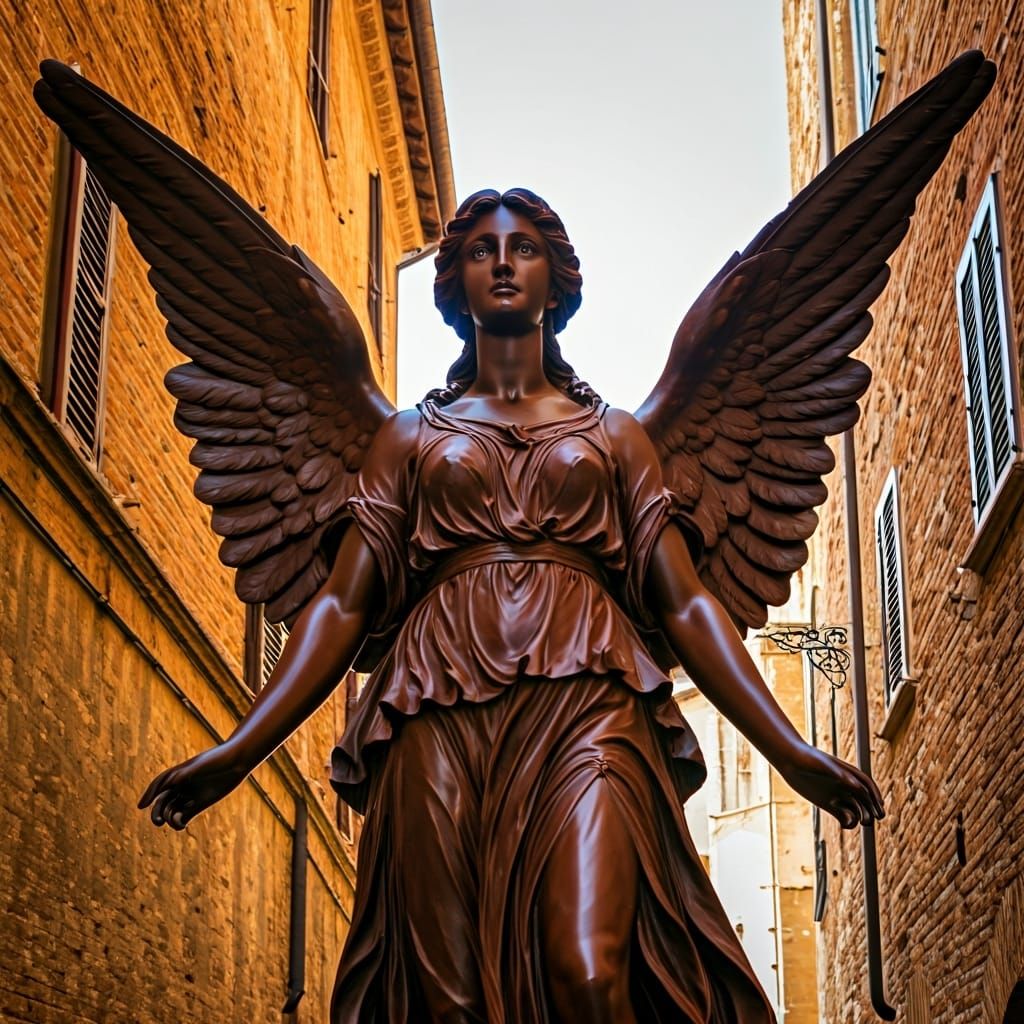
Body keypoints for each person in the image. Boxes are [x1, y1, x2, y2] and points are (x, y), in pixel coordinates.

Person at [140, 187, 883, 1024]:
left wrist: (787, 749)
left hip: (591, 708)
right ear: (454, 281)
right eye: (480, 250)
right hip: (432, 712)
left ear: (555, 278)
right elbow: (343, 605)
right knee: (446, 1001)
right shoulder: (406, 438)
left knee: (590, 972)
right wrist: (241, 749)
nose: (501, 262)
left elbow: (685, 604)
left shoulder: (617, 437)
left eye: (523, 247)